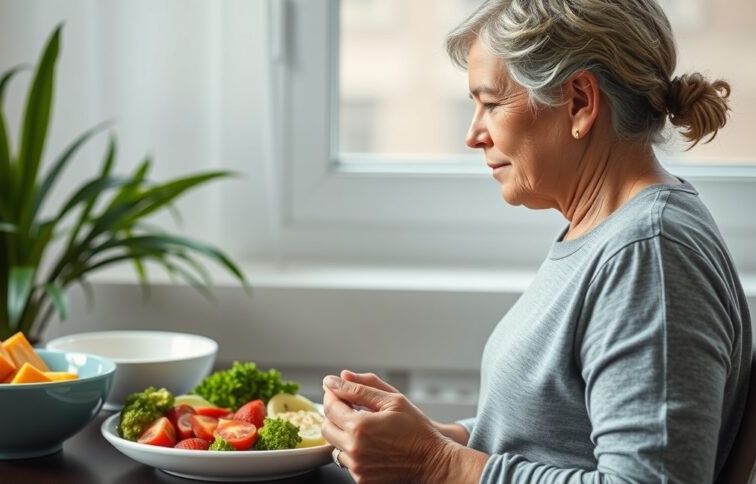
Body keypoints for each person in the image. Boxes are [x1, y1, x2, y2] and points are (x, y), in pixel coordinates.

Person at [321, 0, 752, 482]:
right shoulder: (604, 234)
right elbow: (558, 434)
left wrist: (435, 463)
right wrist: (439, 439)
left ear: (580, 103)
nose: (473, 135)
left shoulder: (649, 254)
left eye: (490, 103)